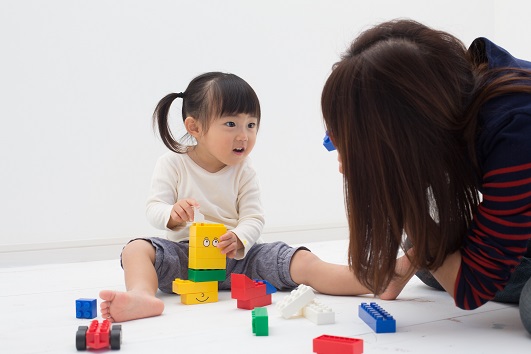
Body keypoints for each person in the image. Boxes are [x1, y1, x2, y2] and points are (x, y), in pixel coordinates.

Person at [99, 72, 368, 323]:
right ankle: (143, 296)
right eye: (231, 124)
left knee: (300, 259)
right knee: (136, 248)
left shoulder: (244, 169)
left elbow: (253, 217)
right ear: (194, 127)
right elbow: (153, 208)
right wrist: (172, 215)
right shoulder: (173, 163)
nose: (244, 135)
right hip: (187, 257)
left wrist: (239, 237)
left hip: (240, 259)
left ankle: (368, 280)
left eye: (251, 125)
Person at [320, 19, 531, 334]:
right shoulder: (463, 94)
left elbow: (470, 290)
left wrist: (395, 187)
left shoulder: (515, 132)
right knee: (431, 265)